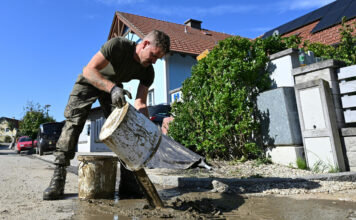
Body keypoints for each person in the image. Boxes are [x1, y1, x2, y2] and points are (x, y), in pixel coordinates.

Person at [43, 30, 170, 200]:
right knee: (74, 123)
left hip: (112, 88)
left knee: (124, 130)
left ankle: (128, 184)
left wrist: (145, 127)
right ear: (145, 44)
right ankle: (57, 180)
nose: (154, 61)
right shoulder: (118, 45)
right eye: (154, 55)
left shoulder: (148, 71)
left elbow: (141, 103)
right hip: (91, 81)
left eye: (158, 59)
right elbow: (89, 70)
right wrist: (112, 88)